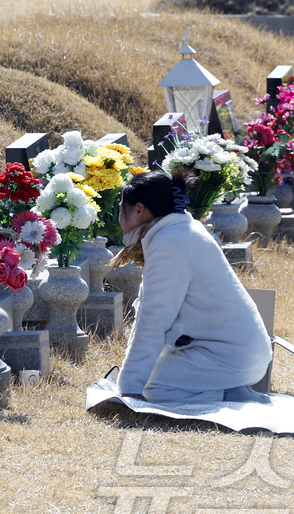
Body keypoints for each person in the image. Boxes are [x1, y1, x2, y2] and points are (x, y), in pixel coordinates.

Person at [113, 170, 274, 404]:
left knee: (149, 387)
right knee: (144, 377)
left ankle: (229, 395)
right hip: (238, 352)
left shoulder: (168, 243)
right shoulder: (182, 229)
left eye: (121, 209)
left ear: (139, 210)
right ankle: (229, 389)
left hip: (230, 358)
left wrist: (129, 388)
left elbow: (153, 320)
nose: (118, 217)